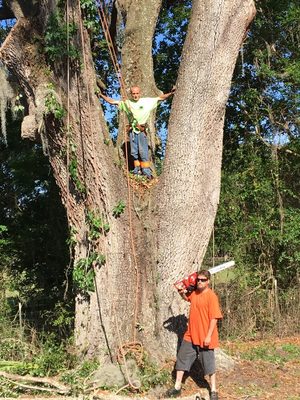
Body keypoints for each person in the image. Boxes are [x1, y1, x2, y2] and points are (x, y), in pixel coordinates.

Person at [166, 270, 222, 400]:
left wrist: (208, 336)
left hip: (205, 336)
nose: (200, 282)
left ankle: (213, 390)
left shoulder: (211, 296)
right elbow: (187, 298)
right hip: (191, 334)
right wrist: (181, 292)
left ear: (208, 281)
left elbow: (214, 318)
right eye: (198, 280)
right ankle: (177, 387)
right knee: (181, 359)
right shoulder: (195, 293)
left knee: (209, 364)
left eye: (203, 280)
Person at [98, 85, 175, 179]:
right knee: (134, 152)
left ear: (140, 93)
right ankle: (137, 170)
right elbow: (113, 101)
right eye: (133, 93)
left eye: (137, 93)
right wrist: (101, 95)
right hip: (132, 131)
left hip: (141, 130)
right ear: (131, 94)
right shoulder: (127, 103)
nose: (135, 95)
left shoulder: (147, 101)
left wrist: (171, 93)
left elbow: (160, 98)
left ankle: (146, 172)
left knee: (143, 152)